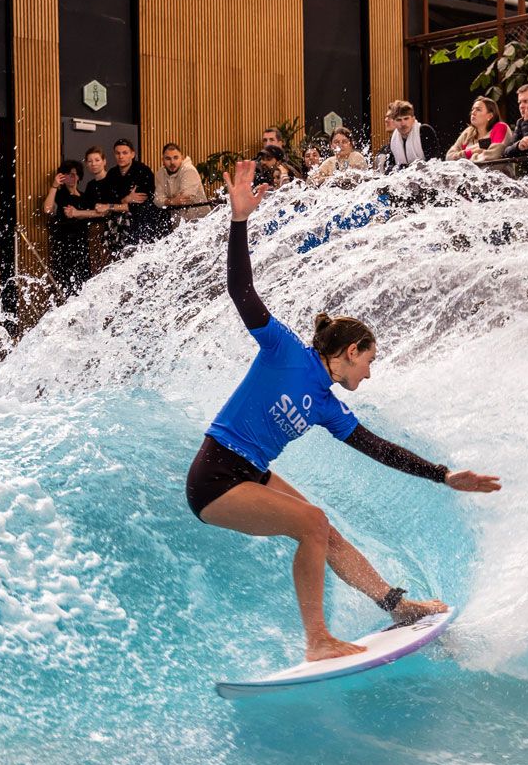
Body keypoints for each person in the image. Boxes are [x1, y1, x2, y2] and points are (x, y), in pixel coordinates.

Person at [189, 161, 500, 661]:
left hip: (249, 472)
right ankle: (318, 641)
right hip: (215, 474)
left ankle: (394, 605)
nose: (370, 373)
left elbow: (377, 449)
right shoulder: (284, 350)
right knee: (311, 521)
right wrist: (239, 220)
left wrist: (444, 476)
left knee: (323, 529)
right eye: (370, 360)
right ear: (351, 350)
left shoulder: (328, 407)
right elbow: (241, 293)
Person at [43, 160, 91, 299]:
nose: (72, 177)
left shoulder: (84, 197)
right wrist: (54, 186)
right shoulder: (59, 195)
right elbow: (47, 209)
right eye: (68, 174)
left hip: (81, 242)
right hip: (62, 243)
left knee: (83, 281)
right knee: (64, 281)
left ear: (79, 176)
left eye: (75, 174)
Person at [101, 138, 156, 252]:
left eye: (125, 153)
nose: (121, 156)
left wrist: (116, 203)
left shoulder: (143, 171)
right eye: (118, 153)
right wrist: (126, 199)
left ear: (132, 154)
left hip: (141, 222)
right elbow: (106, 199)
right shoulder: (112, 173)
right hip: (117, 224)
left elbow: (141, 202)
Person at [155, 142, 209, 225]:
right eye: (168, 158)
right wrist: (172, 201)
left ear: (182, 158)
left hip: (200, 223)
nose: (172, 162)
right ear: (162, 160)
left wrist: (166, 200)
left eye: (176, 158)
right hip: (178, 224)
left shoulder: (189, 170)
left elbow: (184, 200)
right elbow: (157, 200)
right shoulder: (160, 173)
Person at [445, 97, 509, 162]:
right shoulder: (468, 132)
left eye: (478, 110)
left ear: (489, 116)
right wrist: (471, 152)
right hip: (467, 171)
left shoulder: (500, 127)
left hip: (496, 171)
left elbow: (492, 157)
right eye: (472, 109)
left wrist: (465, 161)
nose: (473, 112)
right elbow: (449, 157)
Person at [383, 100, 441, 171]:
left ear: (413, 119)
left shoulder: (424, 131)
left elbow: (434, 161)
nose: (403, 123)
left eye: (406, 118)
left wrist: (404, 169)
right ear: (394, 122)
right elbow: (388, 167)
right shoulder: (393, 139)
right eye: (399, 120)